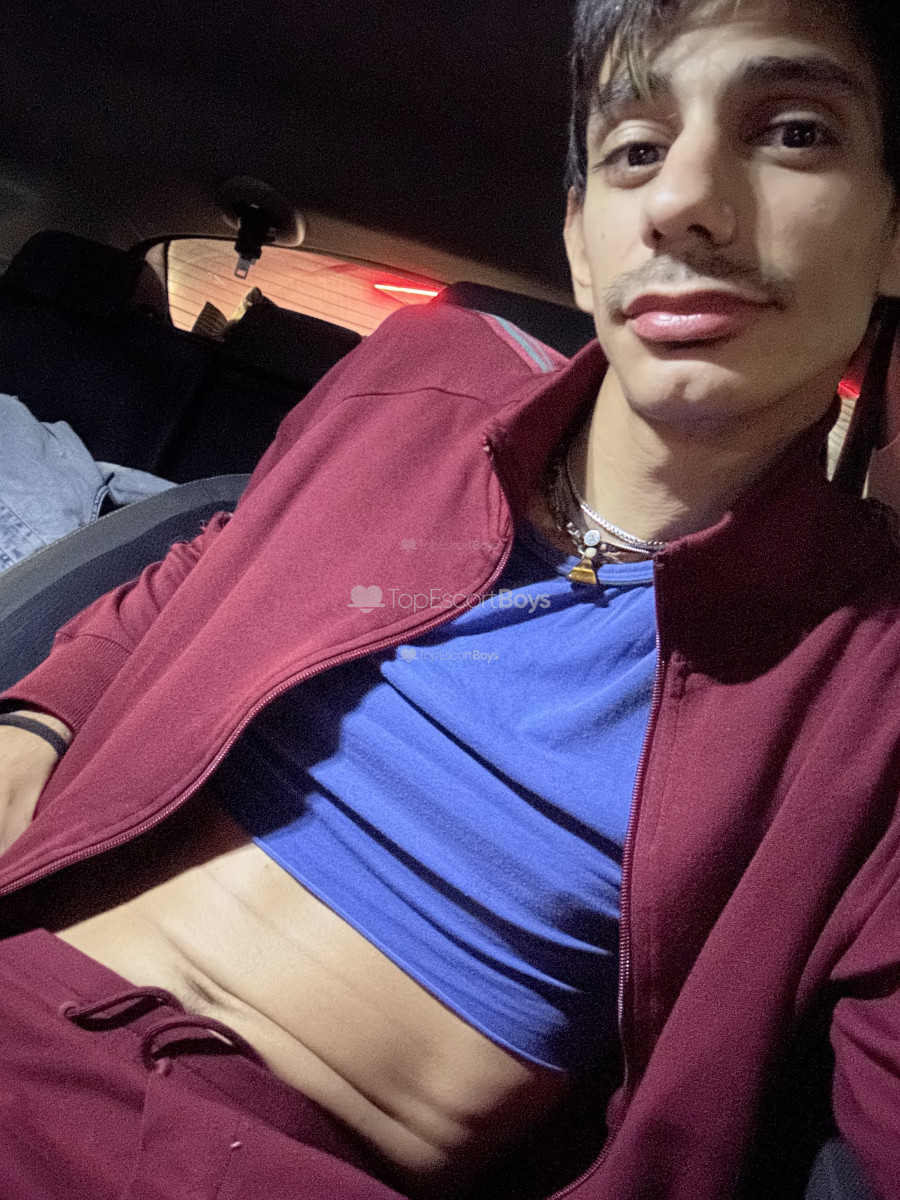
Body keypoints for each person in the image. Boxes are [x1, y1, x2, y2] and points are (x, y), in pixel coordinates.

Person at [1, 0, 900, 1197]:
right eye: (635, 148)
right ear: (581, 239)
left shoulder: (873, 682)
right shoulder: (422, 377)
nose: (686, 201)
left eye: (793, 132)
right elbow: (211, 566)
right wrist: (38, 721)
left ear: (892, 232)